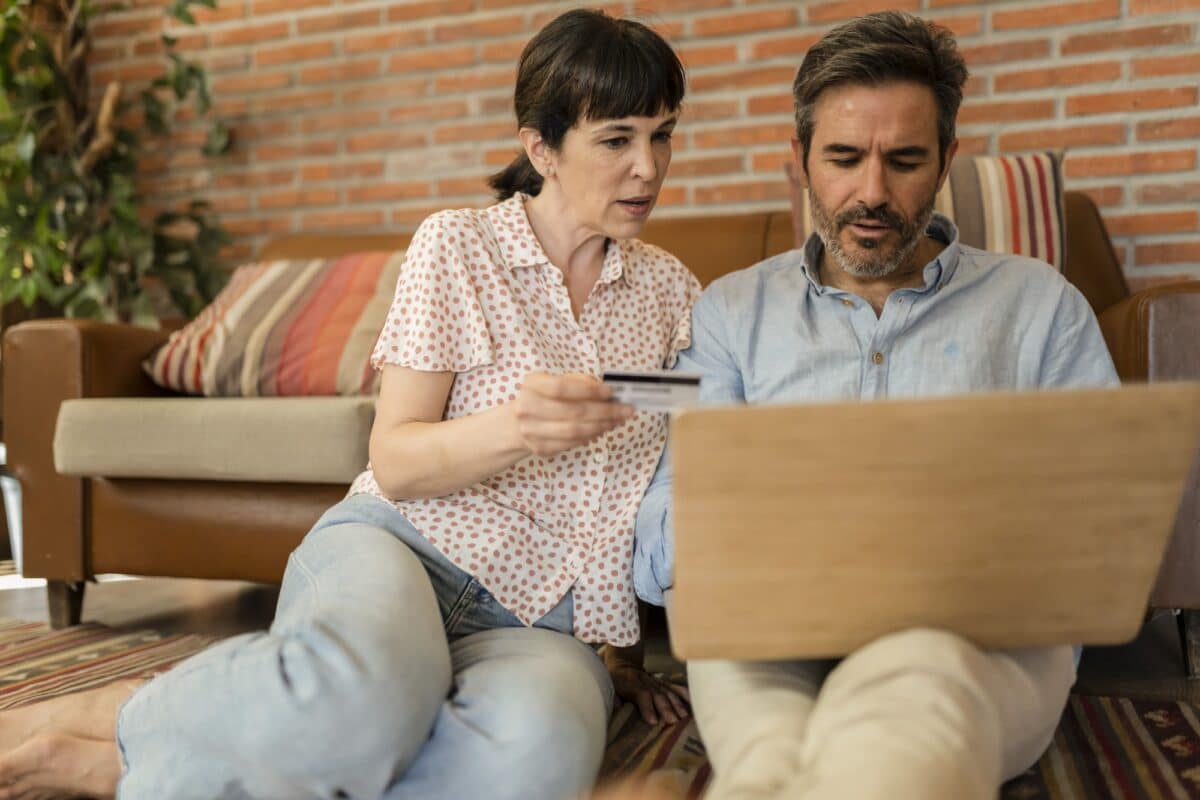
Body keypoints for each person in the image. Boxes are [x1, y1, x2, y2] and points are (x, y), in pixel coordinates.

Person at [0, 9, 695, 799]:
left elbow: (661, 473)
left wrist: (625, 656)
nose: (649, 167)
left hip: (544, 627)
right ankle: (124, 718)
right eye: (618, 139)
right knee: (364, 694)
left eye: (664, 135)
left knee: (534, 760)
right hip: (404, 551)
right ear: (542, 147)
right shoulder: (458, 247)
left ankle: (132, 764)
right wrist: (516, 429)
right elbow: (394, 461)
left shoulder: (672, 294)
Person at [633, 11, 1119, 800]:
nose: (872, 192)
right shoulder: (727, 315)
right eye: (844, 158)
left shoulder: (1040, 306)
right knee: (763, 764)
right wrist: (752, 540)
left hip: (973, 642)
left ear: (947, 160)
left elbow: (1104, 517)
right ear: (799, 162)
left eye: (904, 160)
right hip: (766, 638)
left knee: (905, 720)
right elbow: (661, 519)